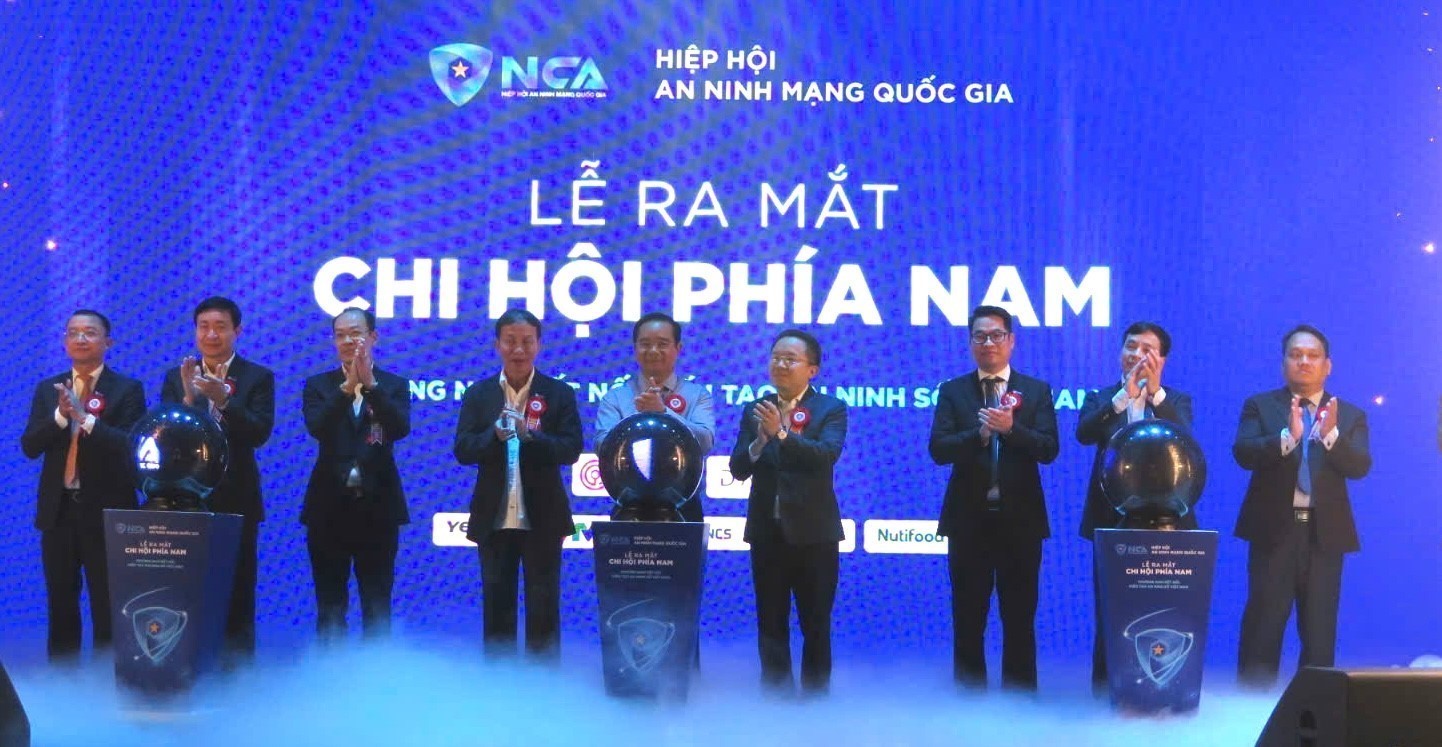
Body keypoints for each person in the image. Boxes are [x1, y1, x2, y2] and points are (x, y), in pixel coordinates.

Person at [929, 305, 1058, 691]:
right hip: (968, 522)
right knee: (968, 617)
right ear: (971, 343)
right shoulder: (953, 391)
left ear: (1011, 341)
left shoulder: (1036, 390)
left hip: (1021, 523)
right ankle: (969, 700)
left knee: (1019, 618)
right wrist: (980, 435)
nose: (988, 343)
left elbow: (1049, 449)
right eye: (980, 336)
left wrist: (1012, 429)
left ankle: (1019, 702)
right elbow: (939, 449)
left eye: (996, 335)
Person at [1234, 324, 1371, 687]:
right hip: (1273, 533)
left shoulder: (1350, 415)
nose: (1304, 362)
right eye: (1296, 355)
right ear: (1284, 364)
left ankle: (1315, 711)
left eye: (1313, 355)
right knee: (1263, 627)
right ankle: (1251, 709)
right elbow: (1243, 453)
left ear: (1327, 365)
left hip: (1325, 537)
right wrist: (1287, 437)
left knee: (1319, 632)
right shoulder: (1260, 406)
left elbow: (1359, 466)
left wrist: (1330, 436)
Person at [454, 308, 582, 658]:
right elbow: (463, 450)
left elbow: (571, 449)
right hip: (493, 517)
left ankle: (543, 681)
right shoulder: (479, 394)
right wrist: (493, 435)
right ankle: (498, 682)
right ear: (497, 345)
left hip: (543, 517)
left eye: (527, 341)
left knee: (544, 605)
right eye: (510, 341)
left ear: (539, 345)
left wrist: (531, 436)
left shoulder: (558, 393)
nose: (519, 349)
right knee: (497, 605)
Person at [1075, 321, 1195, 693]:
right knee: (1111, 607)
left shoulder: (1177, 400)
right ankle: (1104, 689)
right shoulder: (1100, 398)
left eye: (1147, 349)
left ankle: (1164, 689)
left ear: (1162, 359)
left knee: (1165, 608)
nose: (1137, 355)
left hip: (1169, 523)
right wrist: (1120, 400)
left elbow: (1186, 435)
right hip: (1112, 520)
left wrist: (1155, 394)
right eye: (1131, 346)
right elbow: (1084, 434)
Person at [21, 310, 146, 660]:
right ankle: (64, 679)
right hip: (58, 511)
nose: (80, 339)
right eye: (73, 332)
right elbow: (30, 445)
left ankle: (107, 677)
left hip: (107, 512)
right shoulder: (49, 389)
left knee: (108, 602)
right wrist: (61, 416)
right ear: (64, 342)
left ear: (108, 342)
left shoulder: (127, 389)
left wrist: (85, 419)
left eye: (89, 332)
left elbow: (131, 444)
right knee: (61, 602)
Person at [728, 329, 847, 695]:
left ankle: (816, 699)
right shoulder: (756, 408)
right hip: (767, 533)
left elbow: (825, 455)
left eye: (790, 359)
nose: (780, 364)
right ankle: (775, 698)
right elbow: (738, 468)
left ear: (812, 369)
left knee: (815, 623)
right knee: (771, 622)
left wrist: (781, 434)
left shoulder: (830, 409)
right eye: (776, 357)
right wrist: (759, 441)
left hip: (815, 535)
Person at [160, 296, 275, 658]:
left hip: (237, 497)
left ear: (237, 331)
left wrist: (224, 401)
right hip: (185, 498)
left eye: (220, 327)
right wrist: (190, 401)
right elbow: (166, 437)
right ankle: (184, 662)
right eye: (204, 327)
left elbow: (258, 433)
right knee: (185, 586)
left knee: (238, 586)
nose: (211, 334)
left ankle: (239, 670)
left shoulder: (257, 377)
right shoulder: (176, 376)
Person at [301, 307, 411, 640]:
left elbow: (399, 428)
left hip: (379, 508)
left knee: (377, 602)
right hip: (328, 507)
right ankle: (330, 667)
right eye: (341, 335)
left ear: (372, 337)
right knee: (330, 604)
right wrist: (347, 388)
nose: (348, 341)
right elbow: (318, 427)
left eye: (356, 334)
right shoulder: (319, 385)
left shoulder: (393, 385)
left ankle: (374, 669)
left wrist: (370, 385)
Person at [594, 312, 715, 522]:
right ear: (635, 348)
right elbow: (601, 446)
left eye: (662, 344)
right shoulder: (616, 397)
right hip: (629, 504)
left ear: (678, 348)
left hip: (683, 505)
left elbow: (705, 442)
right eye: (645, 344)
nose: (653, 351)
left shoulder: (697, 395)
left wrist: (664, 413)